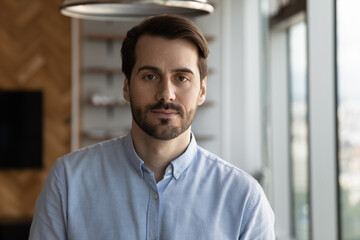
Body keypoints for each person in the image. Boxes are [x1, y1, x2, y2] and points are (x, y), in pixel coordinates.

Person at [29, 14, 275, 239]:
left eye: (182, 78)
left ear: (202, 90)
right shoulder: (68, 181)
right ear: (126, 87)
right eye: (150, 76)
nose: (166, 94)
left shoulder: (244, 199)